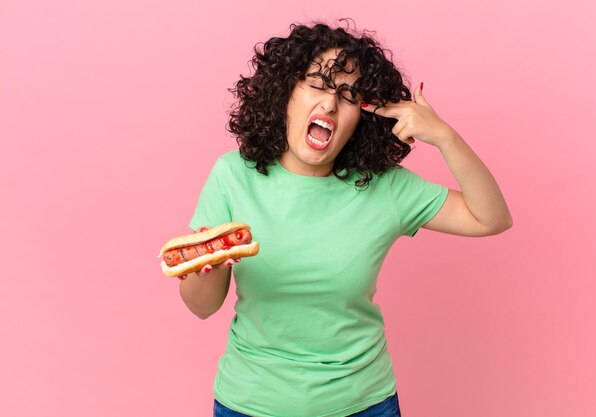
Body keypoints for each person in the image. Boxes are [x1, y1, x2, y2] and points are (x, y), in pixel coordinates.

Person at [178, 19, 513, 417]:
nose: (330, 104)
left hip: (364, 404)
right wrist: (209, 266)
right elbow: (202, 307)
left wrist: (445, 137)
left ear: (364, 116)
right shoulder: (232, 175)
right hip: (249, 404)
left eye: (349, 95)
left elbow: (491, 218)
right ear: (285, 93)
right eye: (317, 85)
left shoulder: (384, 187)